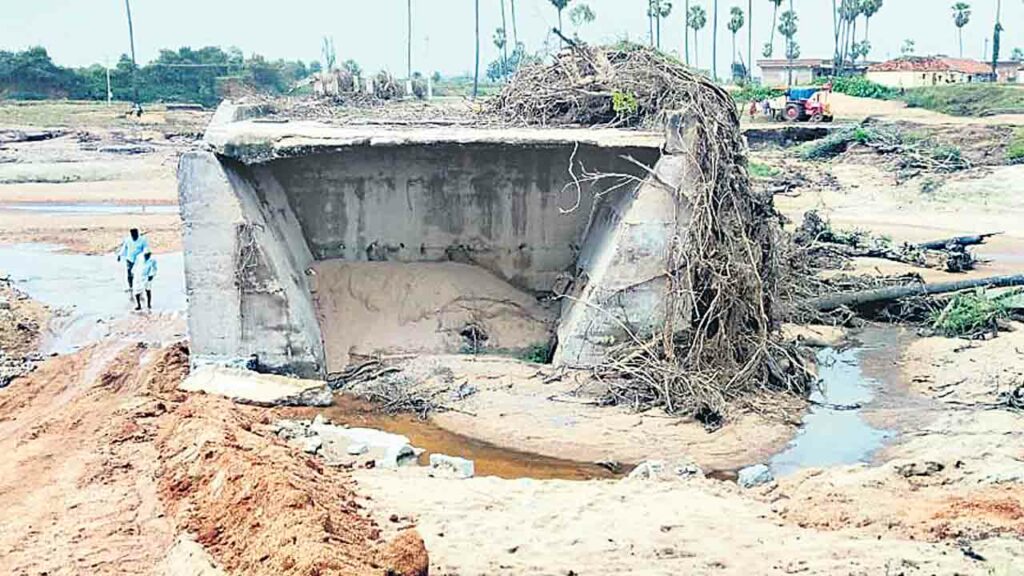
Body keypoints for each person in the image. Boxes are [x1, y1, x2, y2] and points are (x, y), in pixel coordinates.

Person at [117, 228, 149, 294]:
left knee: (139, 274)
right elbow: (124, 248)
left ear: (137, 233)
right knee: (129, 274)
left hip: (139, 260)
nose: (135, 236)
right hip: (130, 259)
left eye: (136, 234)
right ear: (131, 234)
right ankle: (130, 287)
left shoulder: (142, 240)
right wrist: (119, 255)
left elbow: (145, 248)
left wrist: (146, 255)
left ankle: (140, 287)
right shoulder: (128, 240)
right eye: (133, 235)